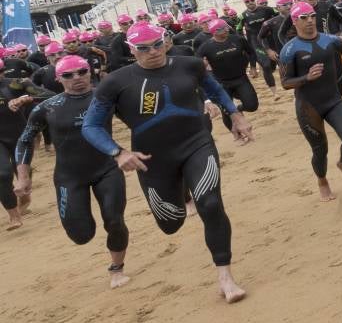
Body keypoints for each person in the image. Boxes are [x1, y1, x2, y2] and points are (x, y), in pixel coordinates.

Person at [82, 21, 253, 302]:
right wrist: (119, 152)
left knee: (209, 203)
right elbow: (91, 125)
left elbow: (216, 90)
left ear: (166, 41)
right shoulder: (116, 82)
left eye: (158, 44)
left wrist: (235, 115)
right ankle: (182, 182)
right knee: (170, 223)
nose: (153, 52)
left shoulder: (190, 65)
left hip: (196, 144)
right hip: (152, 159)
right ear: (131, 49)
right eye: (144, 48)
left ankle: (226, 277)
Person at [14, 55, 131, 288]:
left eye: (82, 71)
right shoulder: (47, 107)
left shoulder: (106, 97)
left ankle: (116, 268)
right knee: (81, 235)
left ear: (90, 71)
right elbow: (25, 140)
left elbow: (140, 118)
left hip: (107, 169)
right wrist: (24, 176)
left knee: (115, 220)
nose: (76, 77)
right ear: (58, 78)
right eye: (68, 75)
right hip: (69, 176)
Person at [278, 2, 342, 202]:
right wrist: (307, 78)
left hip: (333, 100)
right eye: (303, 18)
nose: (309, 21)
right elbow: (286, 83)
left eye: (312, 16)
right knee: (320, 150)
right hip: (309, 107)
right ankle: (322, 181)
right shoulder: (289, 50)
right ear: (294, 22)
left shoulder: (331, 40)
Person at [2, 70, 56, 229]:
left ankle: (25, 198)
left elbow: (51, 96)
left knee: (21, 172)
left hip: (19, 136)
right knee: (2, 174)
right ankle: (14, 216)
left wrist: (25, 98)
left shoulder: (17, 84)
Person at [195, 20, 261, 133]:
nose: (226, 30)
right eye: (221, 29)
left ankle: (238, 109)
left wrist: (253, 67)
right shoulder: (206, 47)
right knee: (226, 112)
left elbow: (251, 52)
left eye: (226, 27)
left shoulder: (237, 39)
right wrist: (204, 65)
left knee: (252, 105)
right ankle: (237, 134)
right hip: (221, 82)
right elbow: (197, 64)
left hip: (241, 78)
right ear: (213, 32)